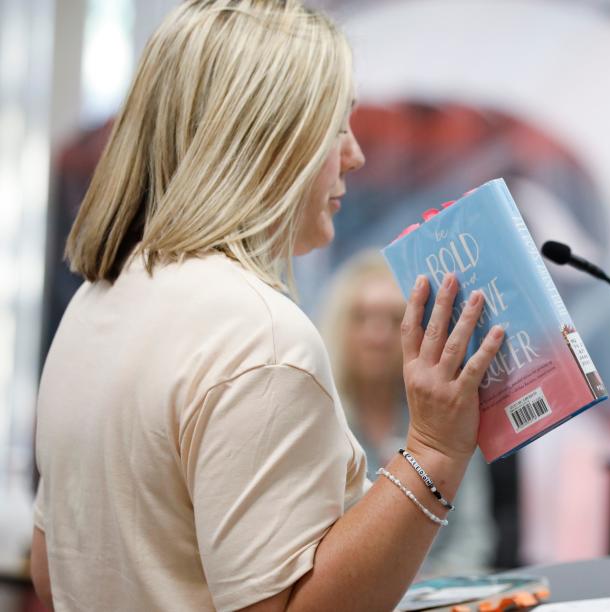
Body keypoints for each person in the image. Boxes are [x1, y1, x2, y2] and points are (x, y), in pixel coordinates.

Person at [30, 2, 504, 611]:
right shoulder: (261, 337)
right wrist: (435, 449)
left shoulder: (97, 305)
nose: (355, 155)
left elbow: (54, 570)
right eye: (338, 126)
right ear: (271, 139)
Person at [319, 250, 496, 576]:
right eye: (361, 317)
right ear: (339, 325)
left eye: (393, 320)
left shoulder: (446, 414)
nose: (376, 336)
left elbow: (472, 539)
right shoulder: (319, 425)